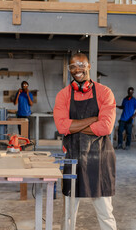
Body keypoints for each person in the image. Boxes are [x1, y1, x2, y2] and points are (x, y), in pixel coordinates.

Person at [53, 53, 117, 230]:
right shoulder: (63, 95)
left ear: (89, 66)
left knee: (105, 213)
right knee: (68, 215)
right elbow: (61, 127)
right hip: (73, 157)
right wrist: (92, 119)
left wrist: (73, 125)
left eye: (81, 64)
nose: (77, 69)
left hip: (100, 158)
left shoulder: (105, 92)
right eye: (72, 66)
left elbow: (106, 128)